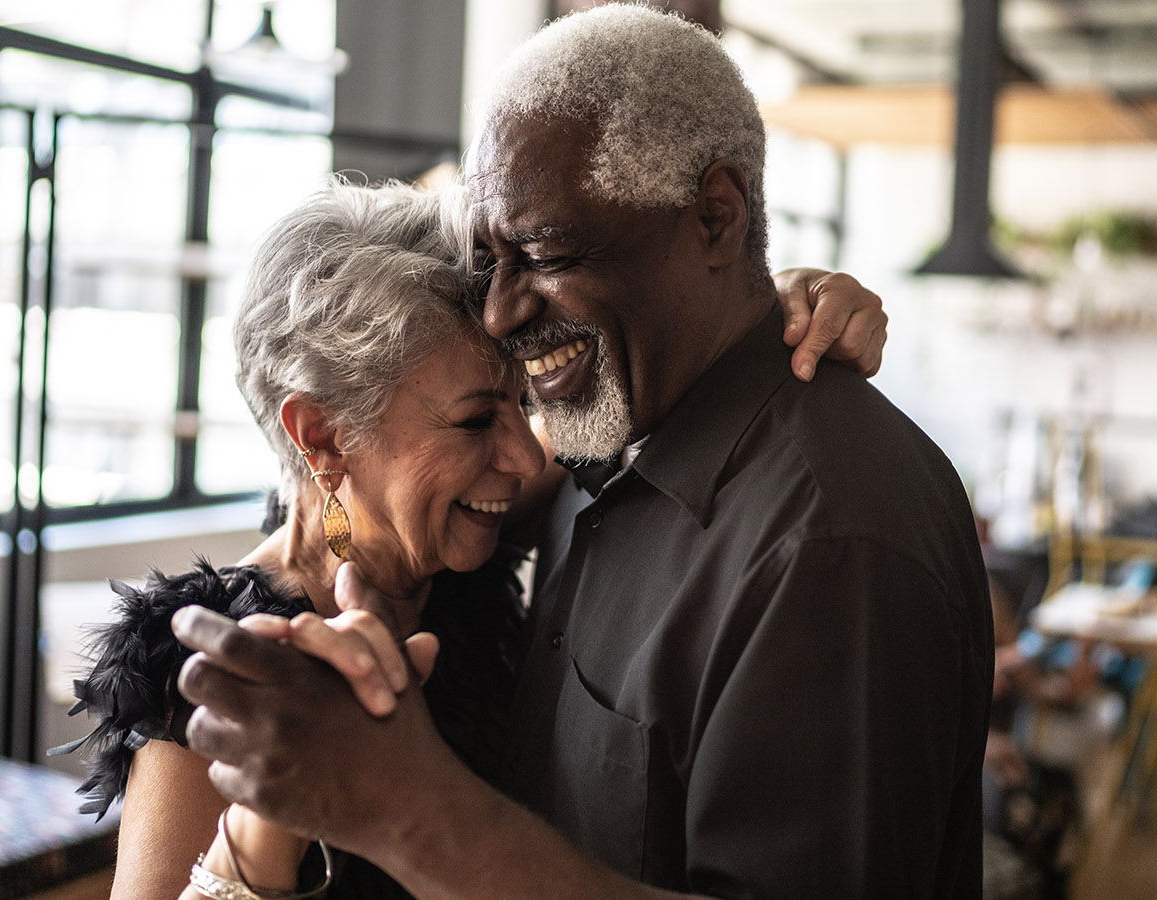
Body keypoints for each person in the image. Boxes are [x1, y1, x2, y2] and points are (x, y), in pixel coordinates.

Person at [174, 5, 991, 899]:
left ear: (716, 217)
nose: (500, 311)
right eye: (492, 262)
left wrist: (409, 807)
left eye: (545, 251)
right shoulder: (610, 451)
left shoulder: (829, 541)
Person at [59, 177, 888, 897]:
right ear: (322, 437)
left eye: (521, 403)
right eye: (475, 419)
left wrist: (779, 308)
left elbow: (664, 385)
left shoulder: (459, 550)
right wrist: (271, 818)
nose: (528, 456)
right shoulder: (217, 672)